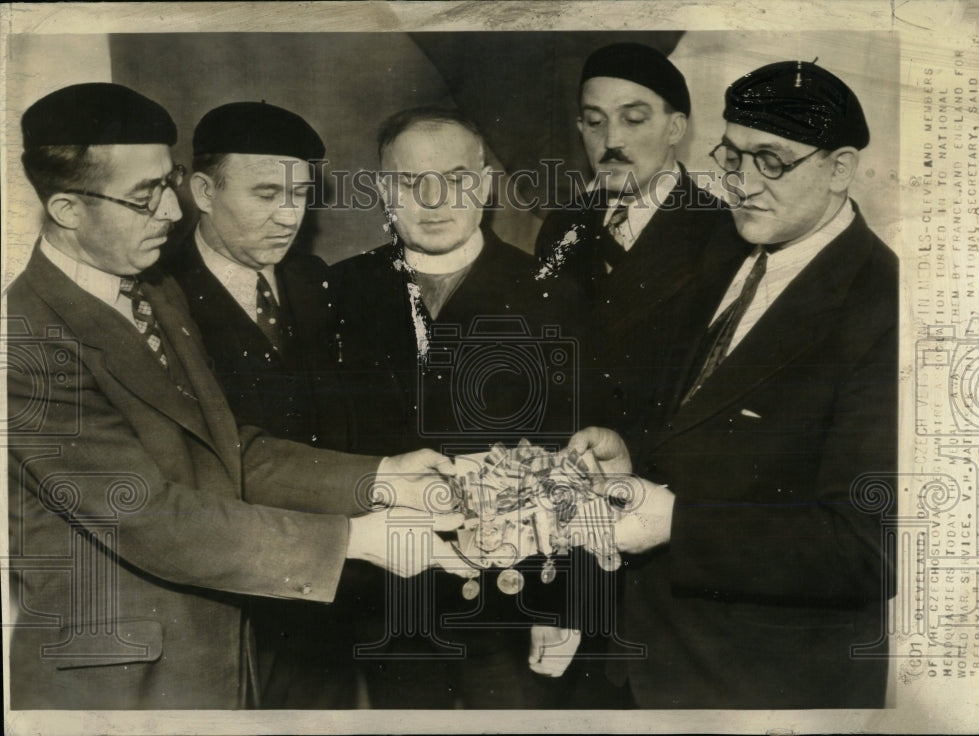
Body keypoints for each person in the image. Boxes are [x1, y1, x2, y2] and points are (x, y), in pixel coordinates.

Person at [5, 83, 473, 710]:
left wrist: (385, 477)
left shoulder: (153, 294)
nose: (172, 213)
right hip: (117, 678)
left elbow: (230, 451)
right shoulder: (25, 341)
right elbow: (147, 515)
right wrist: (358, 540)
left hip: (219, 659)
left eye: (167, 184)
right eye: (145, 196)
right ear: (66, 208)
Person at [566, 60, 898, 709]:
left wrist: (676, 524)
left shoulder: (885, 304)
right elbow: (710, 422)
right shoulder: (731, 248)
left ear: (839, 169)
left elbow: (869, 548)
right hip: (653, 662)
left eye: (770, 161)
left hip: (763, 690)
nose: (740, 183)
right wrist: (631, 452)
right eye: (731, 155)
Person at [328, 106, 581, 708]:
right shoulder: (339, 292)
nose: (436, 199)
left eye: (458, 178)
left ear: (487, 185)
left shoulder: (552, 294)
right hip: (389, 599)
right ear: (385, 191)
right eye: (413, 182)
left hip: (515, 604)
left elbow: (576, 463)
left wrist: (564, 602)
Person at [162, 101, 357, 707]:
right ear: (202, 191)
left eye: (300, 194)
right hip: (225, 591)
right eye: (266, 193)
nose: (289, 216)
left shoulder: (312, 279)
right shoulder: (158, 291)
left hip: (328, 585)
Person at [534, 42, 739, 452]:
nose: (612, 140)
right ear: (579, 129)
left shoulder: (726, 235)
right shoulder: (562, 226)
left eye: (633, 120)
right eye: (595, 122)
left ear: (676, 128)